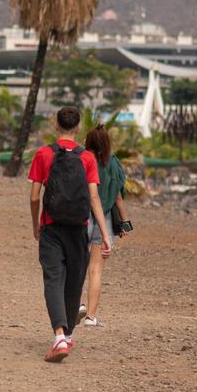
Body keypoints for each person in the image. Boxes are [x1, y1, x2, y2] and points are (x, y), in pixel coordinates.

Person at [27, 106, 112, 363]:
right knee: (73, 283)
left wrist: (35, 224)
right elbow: (94, 197)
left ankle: (60, 336)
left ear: (56, 125)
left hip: (51, 227)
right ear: (77, 128)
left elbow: (34, 197)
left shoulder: (43, 154)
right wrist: (105, 234)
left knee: (53, 279)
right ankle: (67, 335)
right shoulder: (87, 158)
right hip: (78, 229)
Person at [79, 125, 132, 327]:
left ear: (88, 141)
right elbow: (118, 196)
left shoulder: (82, 159)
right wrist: (125, 224)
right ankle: (91, 317)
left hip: (82, 217)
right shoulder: (114, 162)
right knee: (96, 270)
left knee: (77, 265)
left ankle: (77, 306)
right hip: (106, 220)